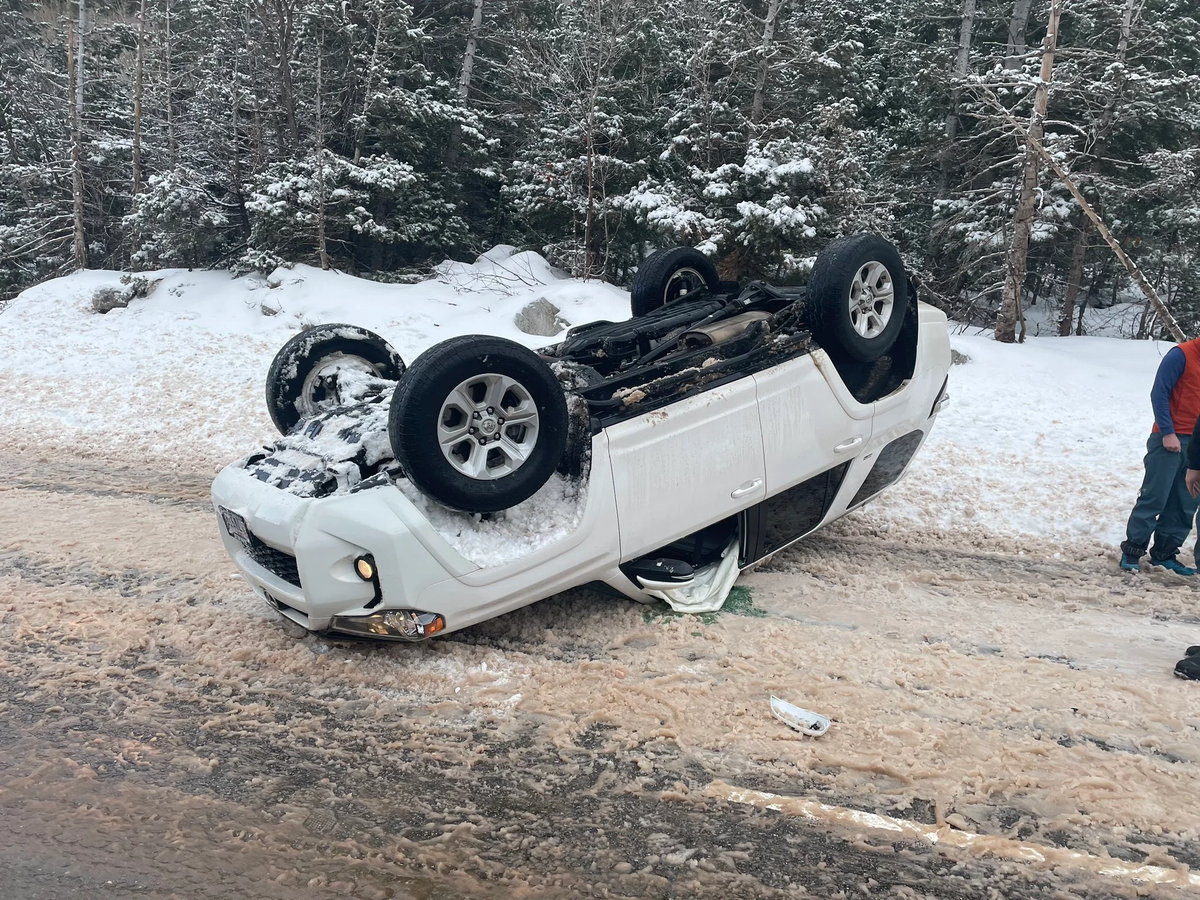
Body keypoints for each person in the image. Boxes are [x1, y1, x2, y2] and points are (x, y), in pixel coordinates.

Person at [1120, 338, 1200, 575]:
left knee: (1186, 502)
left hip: (1197, 442)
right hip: (1171, 438)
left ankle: (1165, 553)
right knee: (1155, 496)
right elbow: (1159, 393)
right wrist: (1167, 432)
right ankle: (1133, 551)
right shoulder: (1181, 355)